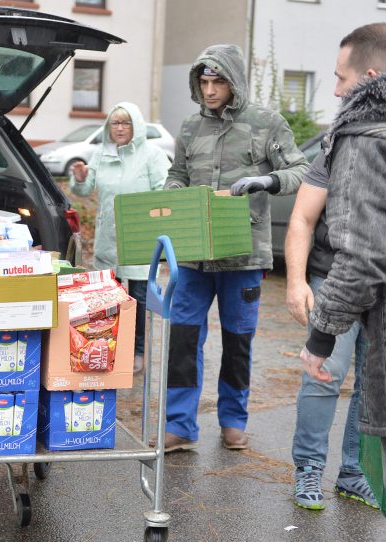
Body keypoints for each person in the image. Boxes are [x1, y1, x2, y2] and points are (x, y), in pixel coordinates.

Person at [286, 23, 386, 512]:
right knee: (323, 375)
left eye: (341, 78)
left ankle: (352, 472)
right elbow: (301, 217)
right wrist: (297, 281)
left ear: (372, 76)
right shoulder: (339, 141)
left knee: (371, 383)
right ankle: (308, 472)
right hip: (332, 277)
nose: (336, 90)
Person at [157, 44, 308, 453]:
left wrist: (266, 182)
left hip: (243, 252)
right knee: (185, 338)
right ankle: (180, 425)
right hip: (193, 254)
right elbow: (178, 174)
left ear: (234, 81)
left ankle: (233, 421)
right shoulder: (190, 127)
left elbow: (300, 169)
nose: (209, 90)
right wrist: (173, 191)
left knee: (238, 341)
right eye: (203, 82)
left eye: (217, 81)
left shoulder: (266, 123)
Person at [69, 102, 170, 374]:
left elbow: (165, 191)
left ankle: (138, 352)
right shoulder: (101, 154)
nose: (120, 128)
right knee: (109, 300)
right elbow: (84, 188)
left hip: (140, 241)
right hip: (108, 241)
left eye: (126, 123)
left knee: (137, 301)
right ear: (108, 127)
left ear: (136, 126)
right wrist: (79, 178)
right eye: (115, 123)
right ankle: (110, 348)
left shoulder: (152, 155)